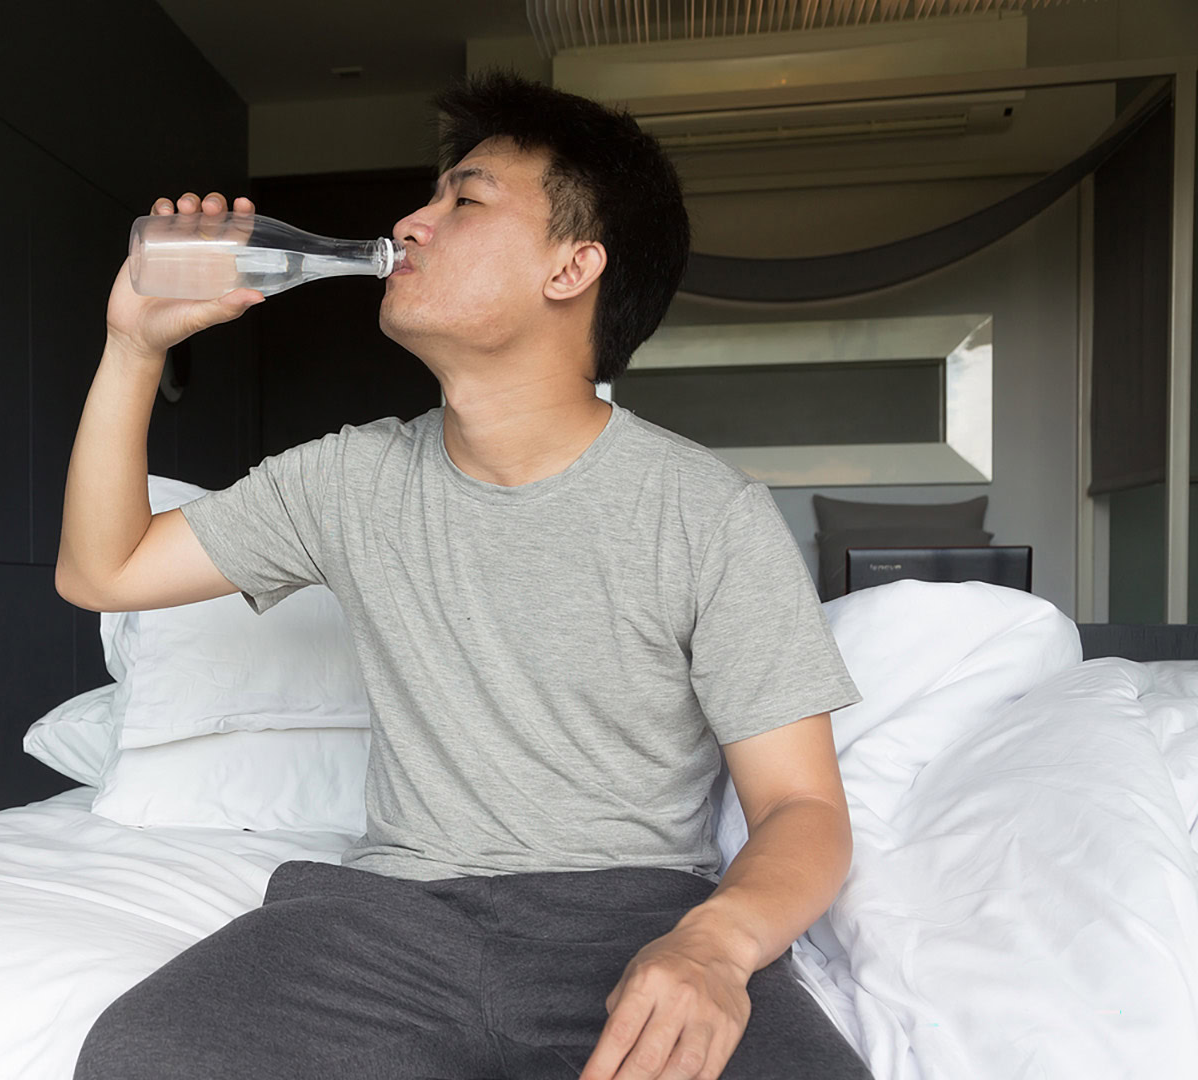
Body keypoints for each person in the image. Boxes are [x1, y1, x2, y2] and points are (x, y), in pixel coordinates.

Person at [56, 66, 875, 1080]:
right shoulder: (351, 477)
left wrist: (716, 945)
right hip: (387, 925)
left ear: (571, 269)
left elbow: (803, 811)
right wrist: (132, 347)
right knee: (145, 1055)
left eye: (466, 198)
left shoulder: (707, 513)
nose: (413, 219)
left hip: (635, 923)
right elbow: (105, 570)